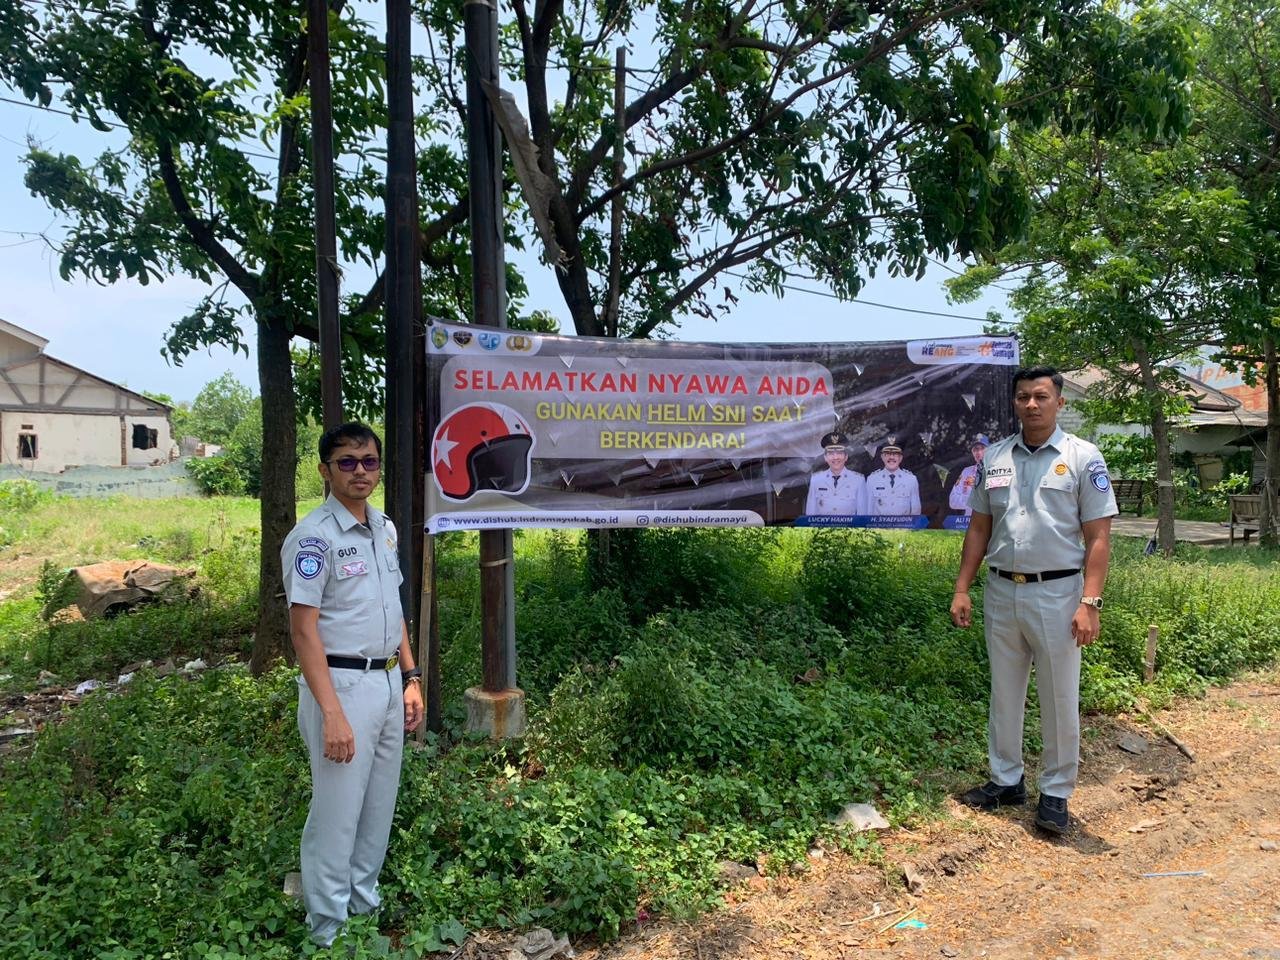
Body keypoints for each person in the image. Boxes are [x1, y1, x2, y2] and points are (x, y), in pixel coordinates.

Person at [949, 366, 1117, 835]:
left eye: (1041, 396)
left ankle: (1056, 793)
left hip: (1059, 593)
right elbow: (979, 527)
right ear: (1014, 403)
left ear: (1059, 402)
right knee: (1004, 691)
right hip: (1002, 590)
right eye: (1023, 397)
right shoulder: (996, 457)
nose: (1031, 405)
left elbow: (1098, 537)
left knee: (1059, 696)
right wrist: (963, 587)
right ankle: (1006, 780)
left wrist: (1091, 602)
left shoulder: (1083, 458)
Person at [281, 423, 424, 945]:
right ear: (325, 471)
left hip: (387, 682)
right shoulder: (313, 538)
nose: (360, 470)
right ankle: (328, 929)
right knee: (337, 813)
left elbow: (396, 611)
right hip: (340, 687)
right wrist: (333, 713)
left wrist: (411, 676)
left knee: (377, 806)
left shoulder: (382, 529)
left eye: (368, 461)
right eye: (347, 462)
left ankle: (364, 904)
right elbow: (302, 630)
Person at [805, 430, 866, 515]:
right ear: (825, 458)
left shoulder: (858, 480)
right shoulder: (816, 479)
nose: (835, 457)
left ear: (846, 457)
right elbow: (810, 513)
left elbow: (862, 515)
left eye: (839, 453)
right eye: (831, 453)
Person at [866, 438, 921, 515]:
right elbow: (868, 511)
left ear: (900, 458)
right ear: (882, 457)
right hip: (879, 526)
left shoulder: (911, 479)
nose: (891, 457)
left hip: (904, 526)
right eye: (887, 454)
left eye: (895, 454)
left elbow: (916, 510)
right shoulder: (872, 480)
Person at [948, 435, 990, 515]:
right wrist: (977, 499)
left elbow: (998, 501)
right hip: (968, 523)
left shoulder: (997, 471)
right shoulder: (966, 472)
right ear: (972, 452)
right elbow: (953, 501)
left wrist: (967, 499)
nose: (978, 452)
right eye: (975, 449)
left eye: (982, 448)